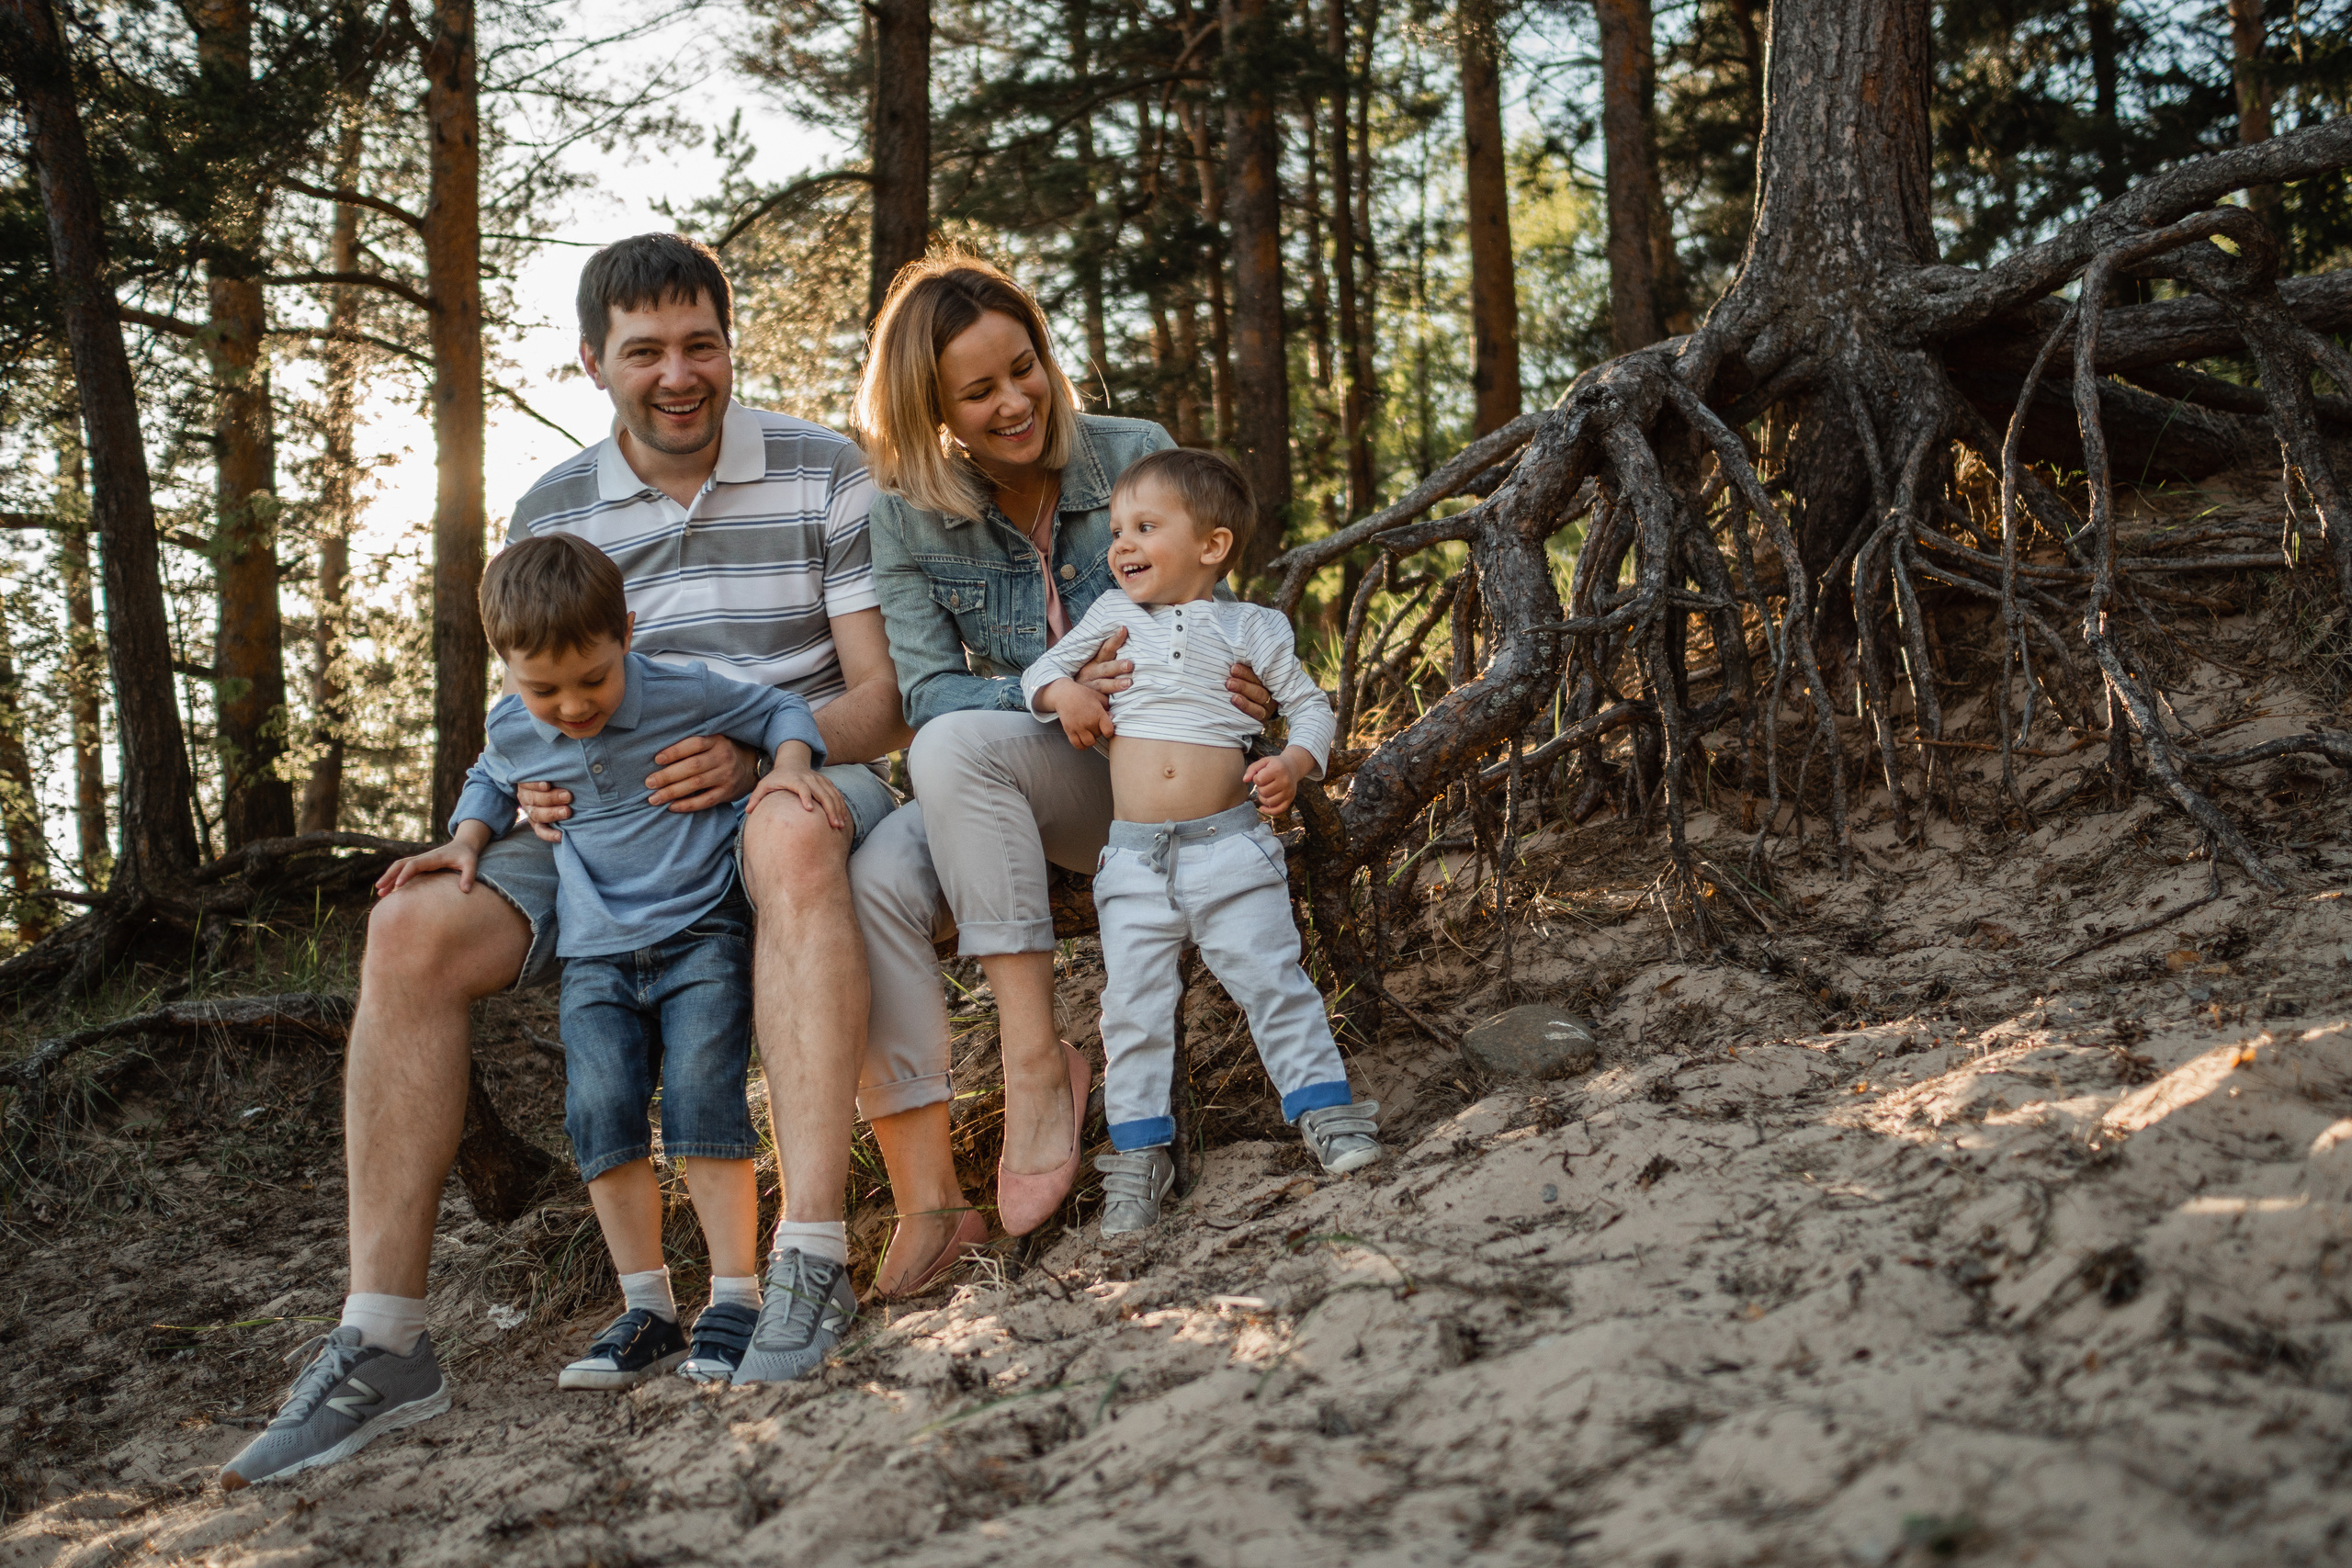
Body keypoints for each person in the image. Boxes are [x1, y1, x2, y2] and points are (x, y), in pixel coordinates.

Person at [220, 233, 909, 1491]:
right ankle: (383, 1339)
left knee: (787, 827)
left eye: (701, 342)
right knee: (408, 929)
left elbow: (880, 699)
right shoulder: (552, 505)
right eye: (645, 351)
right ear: (594, 360)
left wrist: (762, 761)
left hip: (785, 779)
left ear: (728, 338)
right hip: (593, 819)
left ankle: (808, 1260)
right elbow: (532, 695)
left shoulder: (824, 465)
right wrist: (498, 807)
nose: (679, 372)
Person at [845, 254, 1275, 1292]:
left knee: (953, 754)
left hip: (1153, 778)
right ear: (931, 409)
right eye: (978, 390)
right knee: (873, 883)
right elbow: (925, 693)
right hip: (1030, 770)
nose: (1013, 402)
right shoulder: (904, 512)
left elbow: (1213, 632)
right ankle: (931, 1197)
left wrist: (1246, 681)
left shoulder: (1136, 457)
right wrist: (1050, 692)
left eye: (1023, 368)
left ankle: (1034, 1065)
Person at [378, 534, 844, 1390]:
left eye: (592, 679)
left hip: (702, 928)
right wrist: (469, 838)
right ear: (507, 668)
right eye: (543, 687)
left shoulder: (680, 691)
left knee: (705, 1100)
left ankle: (736, 1298)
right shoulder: (516, 717)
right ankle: (648, 1309)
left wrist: (780, 772)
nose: (572, 705)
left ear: (625, 631)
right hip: (594, 951)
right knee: (601, 1112)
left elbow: (782, 711)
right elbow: (491, 770)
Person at [1021, 449, 1382, 1234]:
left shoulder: (1254, 625)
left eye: (1145, 527)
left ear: (1211, 547)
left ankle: (1328, 1110)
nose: (1121, 545)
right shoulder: (1110, 617)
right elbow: (1037, 675)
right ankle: (1138, 1160)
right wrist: (1068, 692)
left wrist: (1291, 759)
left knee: (1272, 981)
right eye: (1118, 530)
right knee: (1133, 1011)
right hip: (1135, 858)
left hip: (1230, 846)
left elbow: (1311, 708)